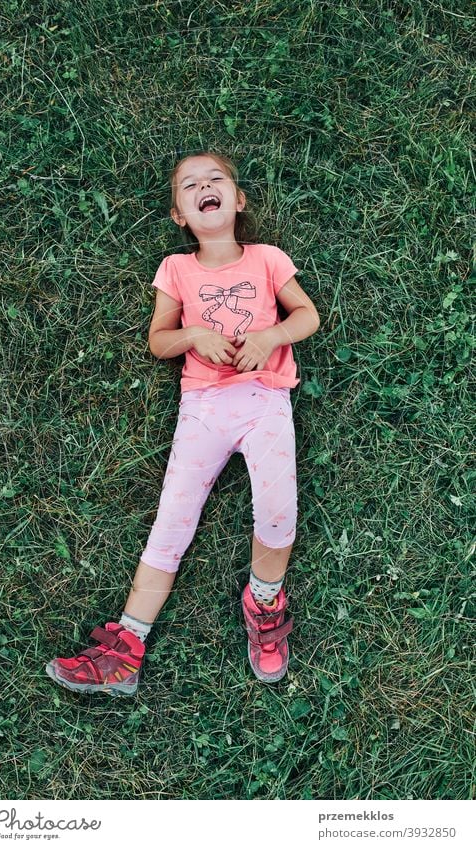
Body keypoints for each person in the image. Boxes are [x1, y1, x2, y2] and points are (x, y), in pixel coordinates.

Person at [45, 149, 320, 696]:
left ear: (237, 201)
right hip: (204, 407)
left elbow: (307, 315)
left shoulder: (267, 258)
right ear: (180, 215)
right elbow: (158, 340)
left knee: (277, 508)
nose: (204, 187)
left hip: (265, 398)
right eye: (189, 186)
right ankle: (125, 650)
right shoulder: (176, 269)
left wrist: (268, 337)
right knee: (172, 520)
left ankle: (264, 603)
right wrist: (195, 336)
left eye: (215, 180)